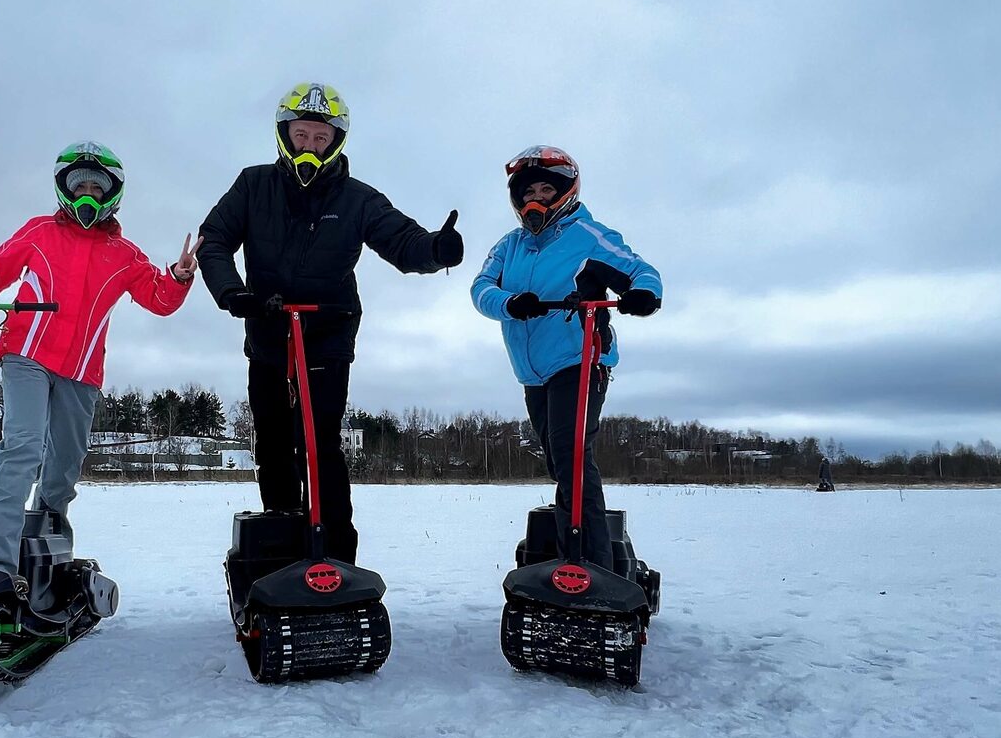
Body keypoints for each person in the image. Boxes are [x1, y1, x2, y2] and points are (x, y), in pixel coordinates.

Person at [196, 82, 463, 560]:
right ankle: (279, 549)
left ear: (336, 142)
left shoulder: (358, 199)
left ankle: (336, 558)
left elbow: (402, 241)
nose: (310, 146)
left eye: (321, 138)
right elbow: (214, 239)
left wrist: (435, 251)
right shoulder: (253, 185)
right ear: (285, 134)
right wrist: (233, 292)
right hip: (268, 334)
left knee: (320, 446)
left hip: (327, 334)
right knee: (275, 445)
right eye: (302, 135)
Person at [0, 141, 201, 594]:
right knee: (23, 446)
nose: (88, 194)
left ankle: (49, 556)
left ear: (113, 193)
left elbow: (159, 298)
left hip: (82, 371)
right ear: (64, 190)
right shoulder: (39, 233)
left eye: (98, 186)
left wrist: (179, 275)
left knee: (64, 465)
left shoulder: (126, 254)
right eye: (79, 185)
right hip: (27, 355)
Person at [471, 145, 663, 571]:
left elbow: (641, 271)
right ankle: (571, 552)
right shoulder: (509, 246)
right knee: (561, 462)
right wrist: (510, 303)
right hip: (532, 371)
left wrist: (645, 295)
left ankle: (591, 566)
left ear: (565, 191)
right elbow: (480, 289)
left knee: (572, 456)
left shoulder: (588, 235)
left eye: (544, 189)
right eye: (527, 192)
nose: (534, 198)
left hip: (579, 358)